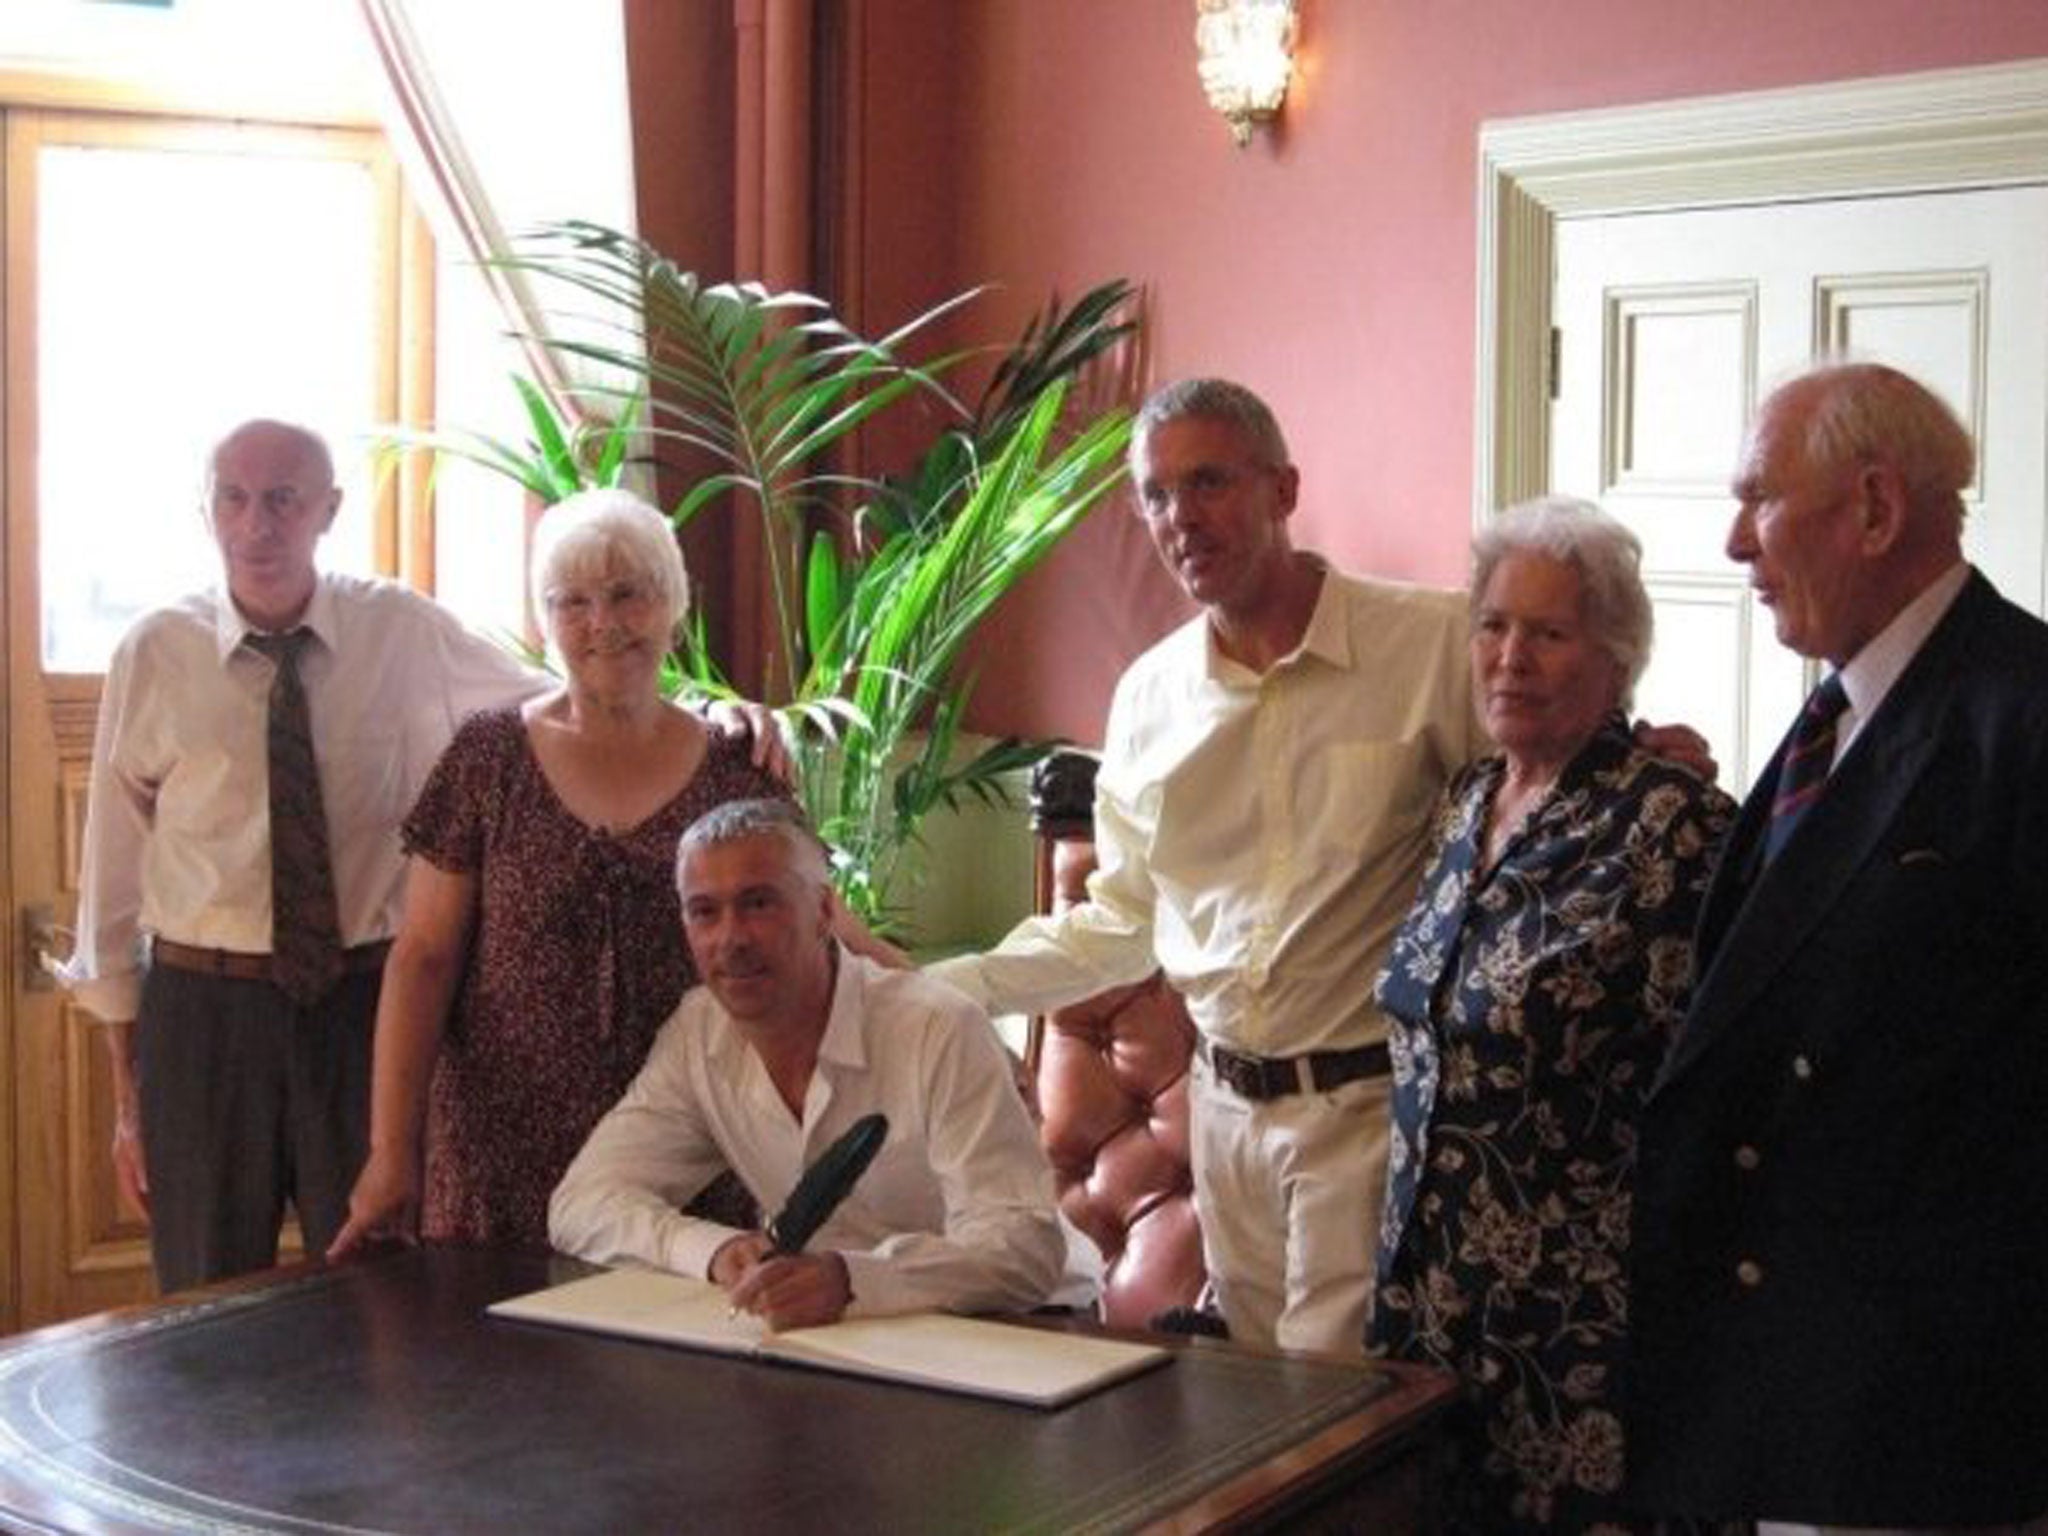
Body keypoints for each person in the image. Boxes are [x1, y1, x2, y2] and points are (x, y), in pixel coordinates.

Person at [926, 377, 1484, 1355]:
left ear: (1282, 489)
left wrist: (1642, 747)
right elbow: (1120, 922)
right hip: (1219, 1116)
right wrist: (943, 986)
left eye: (1209, 482)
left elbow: (1543, 785)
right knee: (1257, 1409)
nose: (1180, 516)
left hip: (1365, 1107)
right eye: (1155, 495)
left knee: (1331, 1404)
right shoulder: (1147, 699)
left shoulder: (1432, 644)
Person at [1626, 363, 2048, 1533]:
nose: (1730, 544)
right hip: (1791, 1381)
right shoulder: (1836, 713)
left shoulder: (2021, 712)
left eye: (1757, 500)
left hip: (1932, 1409)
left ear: (1871, 509)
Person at [1368, 498, 1735, 1534]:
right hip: (1425, 1304)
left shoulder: (1674, 824)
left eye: (1547, 631)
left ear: (1615, 657)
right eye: (1492, 625)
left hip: (1584, 1331)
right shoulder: (1464, 801)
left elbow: (1722, 1096)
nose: (1509, 656)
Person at [329, 488, 786, 1257]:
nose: (602, 623)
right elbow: (424, 957)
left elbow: (819, 933)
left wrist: (955, 1014)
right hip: (499, 1150)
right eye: (570, 602)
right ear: (546, 622)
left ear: (671, 602)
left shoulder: (738, 765)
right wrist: (389, 1152)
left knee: (674, 1368)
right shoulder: (488, 755)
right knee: (490, 1370)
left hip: (685, 1148)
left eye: (626, 594)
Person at [550, 799, 1064, 1326]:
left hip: (1024, 1330)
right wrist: (714, 1252)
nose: (731, 938)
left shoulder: (937, 1028)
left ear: (822, 912)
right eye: (705, 912)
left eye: (758, 904)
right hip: (833, 1343)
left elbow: (1022, 1250)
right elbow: (582, 1203)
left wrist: (854, 1281)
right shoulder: (698, 1034)